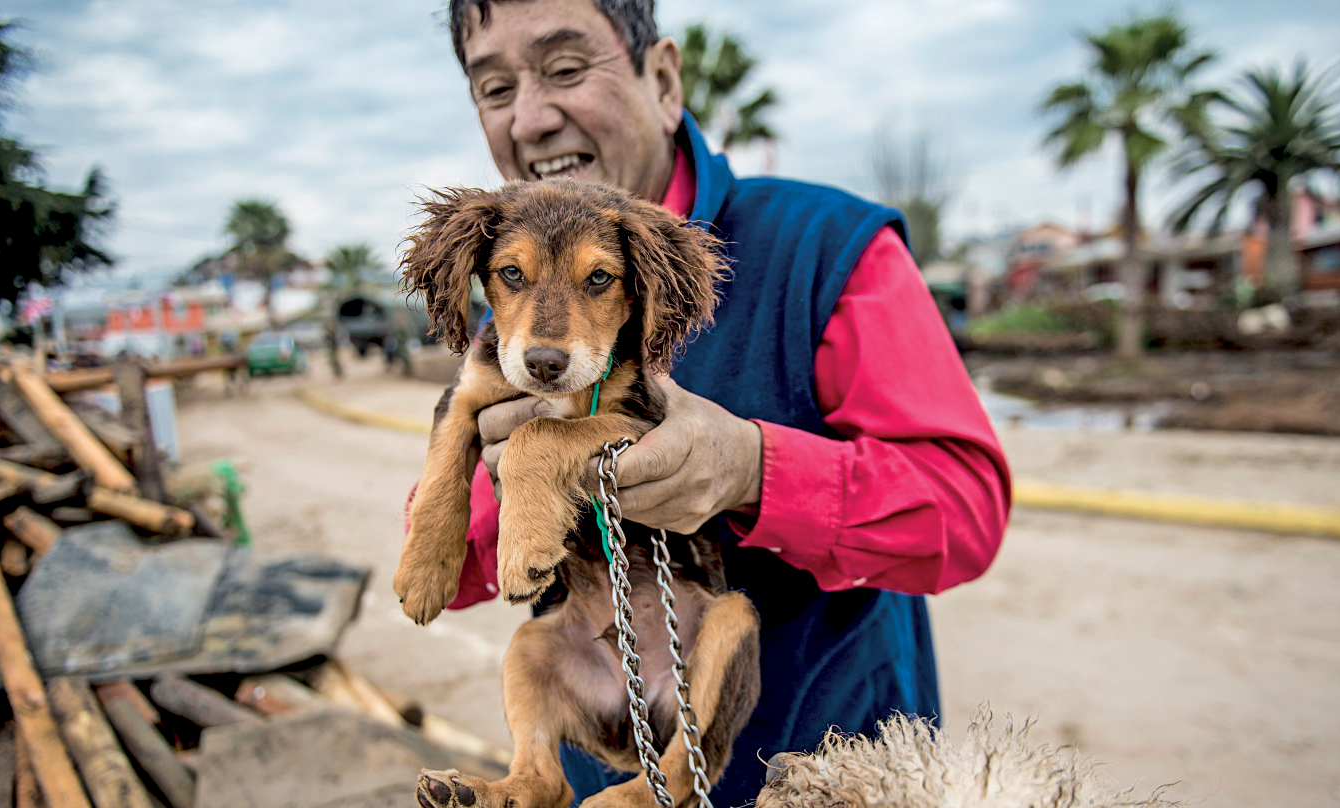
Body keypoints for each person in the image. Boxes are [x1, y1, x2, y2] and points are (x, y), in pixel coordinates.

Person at [421, 1, 1011, 804]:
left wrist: (751, 469)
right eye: (494, 89)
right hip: (614, 781)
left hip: (842, 775)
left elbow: (965, 512)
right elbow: (448, 575)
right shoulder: (518, 318)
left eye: (564, 68)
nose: (530, 118)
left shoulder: (828, 247)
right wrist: (498, 473)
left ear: (662, 79)